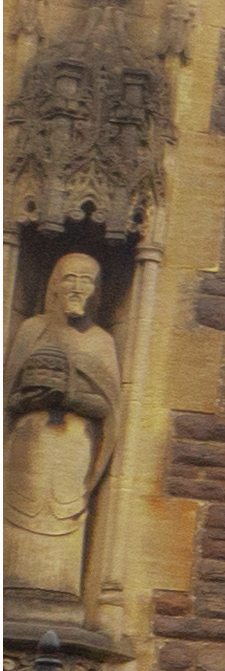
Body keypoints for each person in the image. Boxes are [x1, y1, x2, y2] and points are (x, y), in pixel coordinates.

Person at [6, 251, 122, 596]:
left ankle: (62, 594)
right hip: (27, 448)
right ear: (54, 285)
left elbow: (109, 408)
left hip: (72, 449)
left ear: (97, 290)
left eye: (87, 280)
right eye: (69, 277)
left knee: (65, 518)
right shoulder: (32, 330)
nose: (77, 287)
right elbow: (8, 399)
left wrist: (69, 397)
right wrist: (34, 399)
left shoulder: (101, 341)